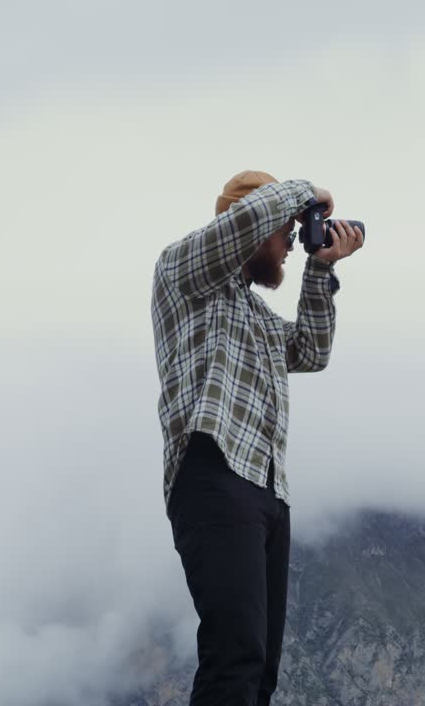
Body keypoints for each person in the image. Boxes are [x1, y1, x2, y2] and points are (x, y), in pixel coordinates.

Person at [150, 170, 364, 705]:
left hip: (267, 491)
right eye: (287, 232)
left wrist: (321, 268)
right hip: (213, 468)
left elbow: (312, 352)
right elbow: (247, 218)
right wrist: (307, 193)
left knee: (260, 668)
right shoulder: (184, 273)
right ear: (256, 223)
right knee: (235, 652)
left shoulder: (258, 317)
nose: (292, 243)